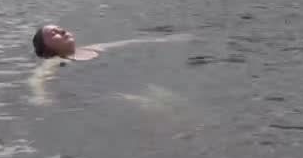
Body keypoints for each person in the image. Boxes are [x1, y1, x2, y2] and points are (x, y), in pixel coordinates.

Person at [28, 24, 192, 105]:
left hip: (134, 87)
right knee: (157, 107)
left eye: (61, 28)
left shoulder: (94, 48)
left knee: (176, 101)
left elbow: (129, 43)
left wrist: (163, 40)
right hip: (118, 97)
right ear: (46, 49)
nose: (62, 32)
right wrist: (41, 95)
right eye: (53, 34)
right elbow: (38, 78)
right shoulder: (57, 60)